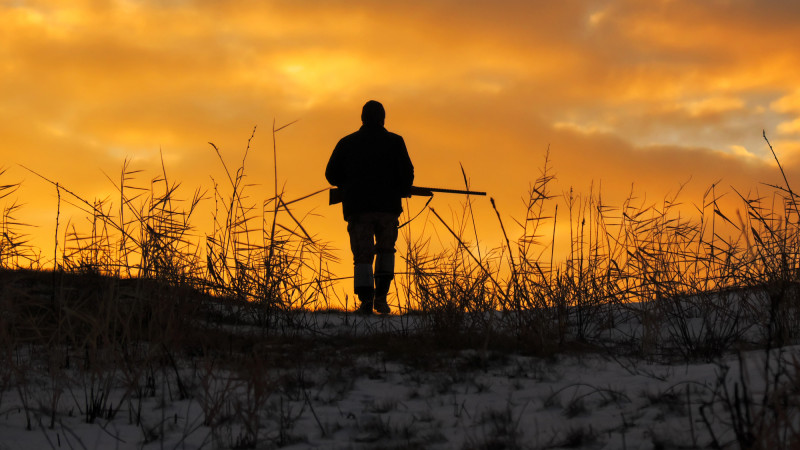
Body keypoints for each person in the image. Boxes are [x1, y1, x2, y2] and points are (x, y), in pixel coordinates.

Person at [325, 100, 414, 314]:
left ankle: (365, 302)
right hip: (387, 210)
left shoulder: (347, 143)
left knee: (362, 256)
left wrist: (347, 186)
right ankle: (381, 299)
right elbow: (407, 175)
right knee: (386, 251)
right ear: (383, 118)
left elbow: (331, 174)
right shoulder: (395, 142)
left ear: (362, 118)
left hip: (358, 209)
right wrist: (401, 189)